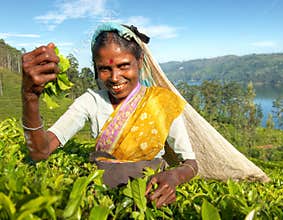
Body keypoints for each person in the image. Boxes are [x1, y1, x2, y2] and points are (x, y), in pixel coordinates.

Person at [21, 22, 198, 208]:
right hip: (102, 202)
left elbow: (191, 163)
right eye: (105, 69)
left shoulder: (162, 102)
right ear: (96, 68)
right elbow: (41, 151)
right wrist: (30, 97)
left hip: (150, 202)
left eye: (123, 66)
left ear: (139, 62)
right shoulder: (91, 102)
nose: (114, 78)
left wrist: (175, 176)